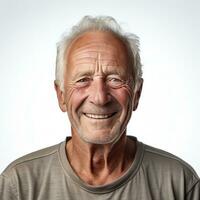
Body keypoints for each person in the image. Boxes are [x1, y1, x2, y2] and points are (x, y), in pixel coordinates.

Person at [0, 15, 199, 200]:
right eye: (83, 80)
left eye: (115, 79)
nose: (100, 97)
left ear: (136, 94)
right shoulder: (18, 186)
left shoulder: (180, 184)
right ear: (60, 95)